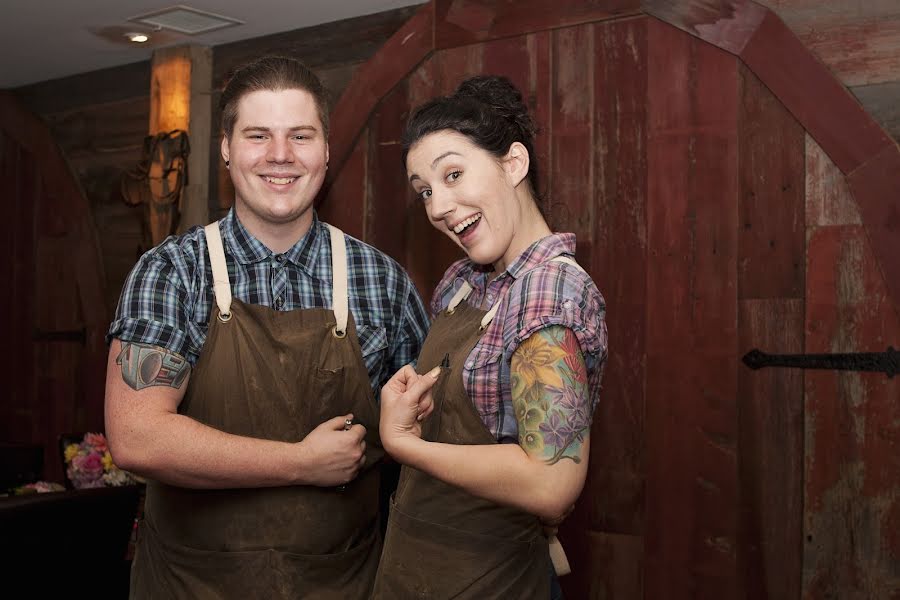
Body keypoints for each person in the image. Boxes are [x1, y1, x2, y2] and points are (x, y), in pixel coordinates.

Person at [104, 55, 429, 599]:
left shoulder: (382, 281)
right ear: (227, 149)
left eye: (300, 135)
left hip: (345, 583)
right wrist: (301, 463)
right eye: (258, 135)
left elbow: (430, 440)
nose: (281, 156)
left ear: (326, 150)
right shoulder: (172, 272)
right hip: (192, 585)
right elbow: (136, 437)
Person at [373, 75, 608, 599]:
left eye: (453, 174)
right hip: (412, 569)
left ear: (513, 164)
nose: (437, 206)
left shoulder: (548, 289)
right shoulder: (460, 284)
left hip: (491, 579)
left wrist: (404, 445)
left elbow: (550, 483)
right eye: (426, 191)